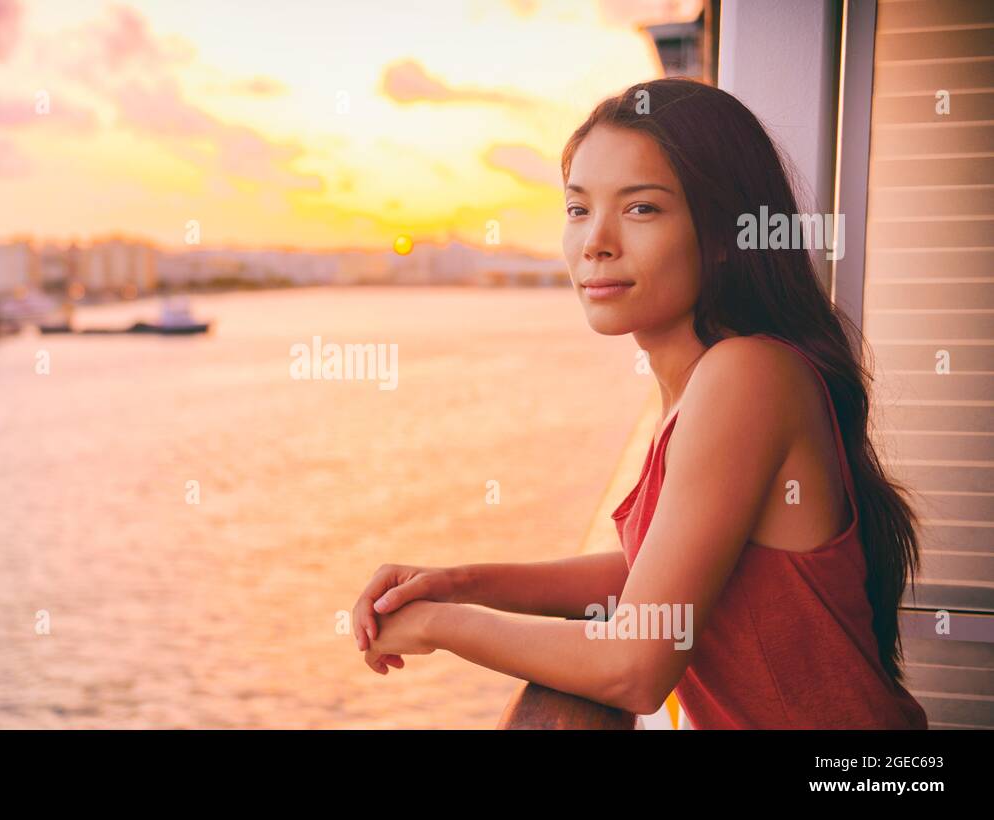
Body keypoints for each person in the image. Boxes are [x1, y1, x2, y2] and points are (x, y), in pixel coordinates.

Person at [351, 78, 928, 729]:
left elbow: (634, 667)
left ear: (722, 233)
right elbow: (648, 572)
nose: (595, 241)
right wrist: (456, 581)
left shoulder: (748, 375)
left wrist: (440, 624)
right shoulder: (703, 379)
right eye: (577, 210)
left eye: (641, 209)